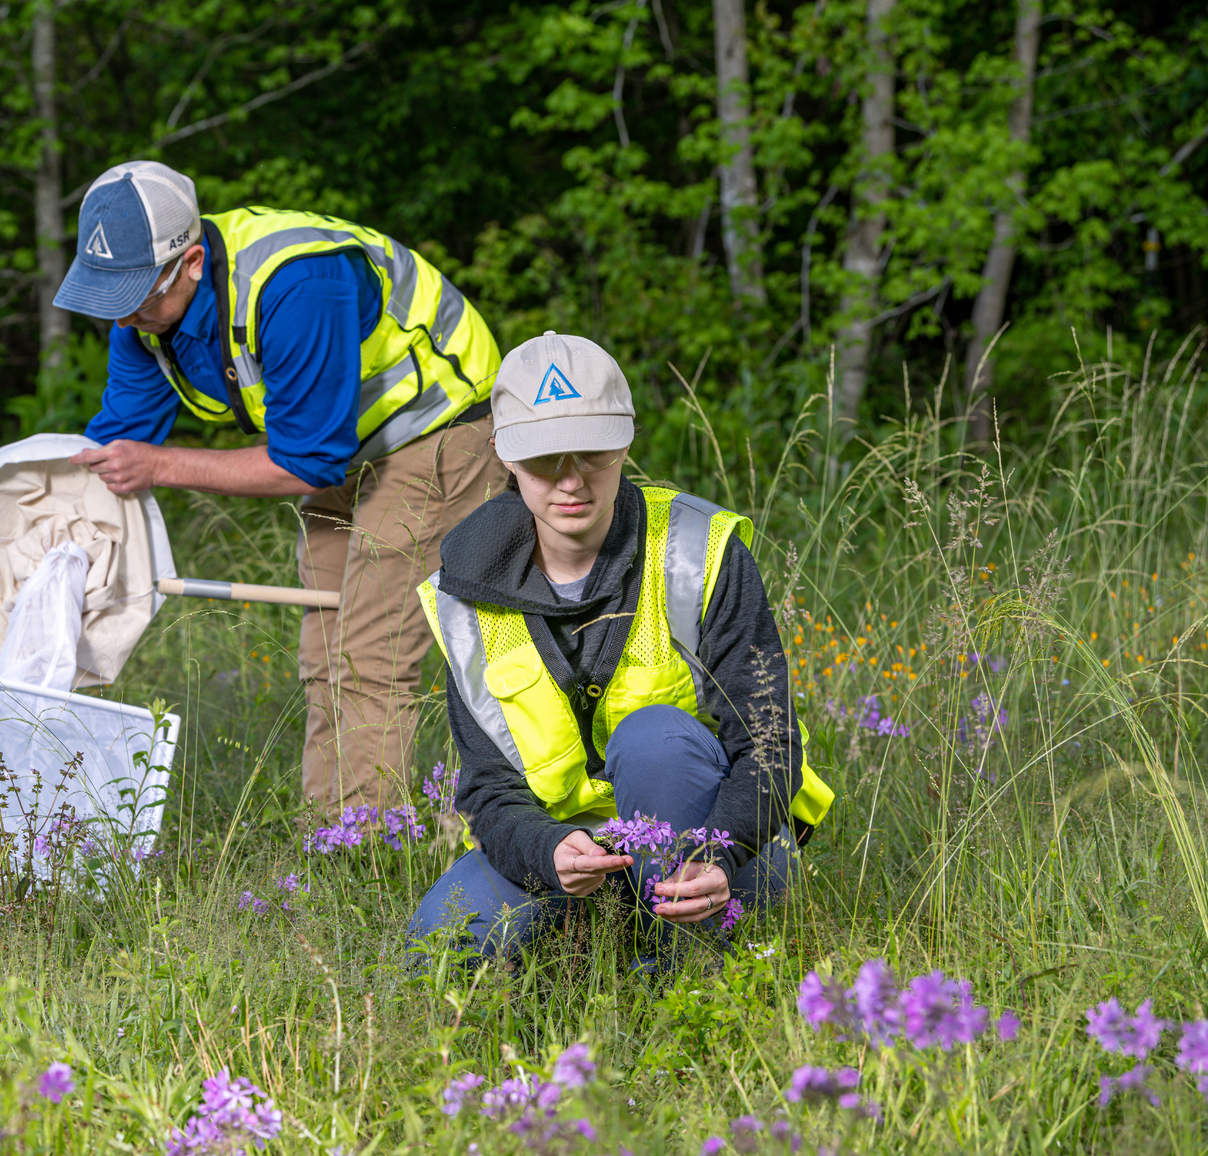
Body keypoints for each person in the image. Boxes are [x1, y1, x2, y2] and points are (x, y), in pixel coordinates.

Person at [52, 161, 503, 811]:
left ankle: (368, 852)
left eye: (134, 294)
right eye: (106, 296)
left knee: (369, 650)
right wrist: (58, 542)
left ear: (193, 263)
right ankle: (331, 838)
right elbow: (116, 446)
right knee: (324, 649)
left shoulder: (296, 284)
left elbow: (306, 462)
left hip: (434, 426)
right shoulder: (142, 322)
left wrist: (162, 466)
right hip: (341, 445)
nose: (122, 316)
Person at [405, 332, 835, 963]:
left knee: (655, 738)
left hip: (721, 852)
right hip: (568, 848)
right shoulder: (465, 591)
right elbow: (489, 787)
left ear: (626, 440)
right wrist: (546, 851)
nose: (572, 480)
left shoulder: (697, 551)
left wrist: (721, 849)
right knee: (435, 950)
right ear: (504, 455)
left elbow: (769, 740)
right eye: (546, 458)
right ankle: (600, 933)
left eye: (594, 452)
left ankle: (688, 971)